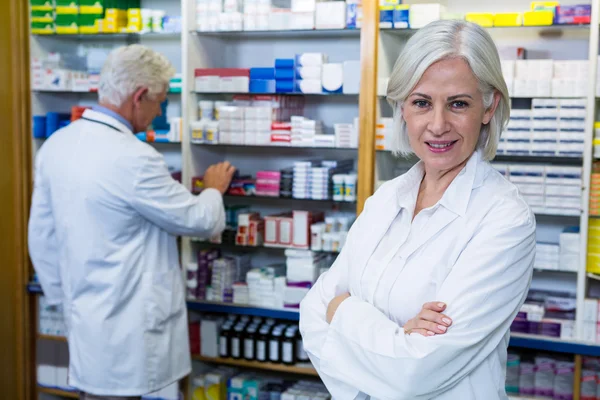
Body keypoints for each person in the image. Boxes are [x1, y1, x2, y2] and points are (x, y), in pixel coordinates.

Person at [299, 19, 536, 400]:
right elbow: (312, 310)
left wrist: (343, 311)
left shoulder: (505, 220)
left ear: (489, 108)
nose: (438, 125)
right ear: (402, 108)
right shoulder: (386, 198)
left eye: (458, 104)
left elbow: (416, 373)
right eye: (422, 102)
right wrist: (395, 338)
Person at [28, 45, 235, 400]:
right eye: (161, 101)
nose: (160, 111)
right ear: (139, 96)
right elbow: (198, 220)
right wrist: (214, 190)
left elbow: (41, 239)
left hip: (87, 323)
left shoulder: (56, 145)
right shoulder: (134, 158)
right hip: (131, 335)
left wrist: (67, 303)